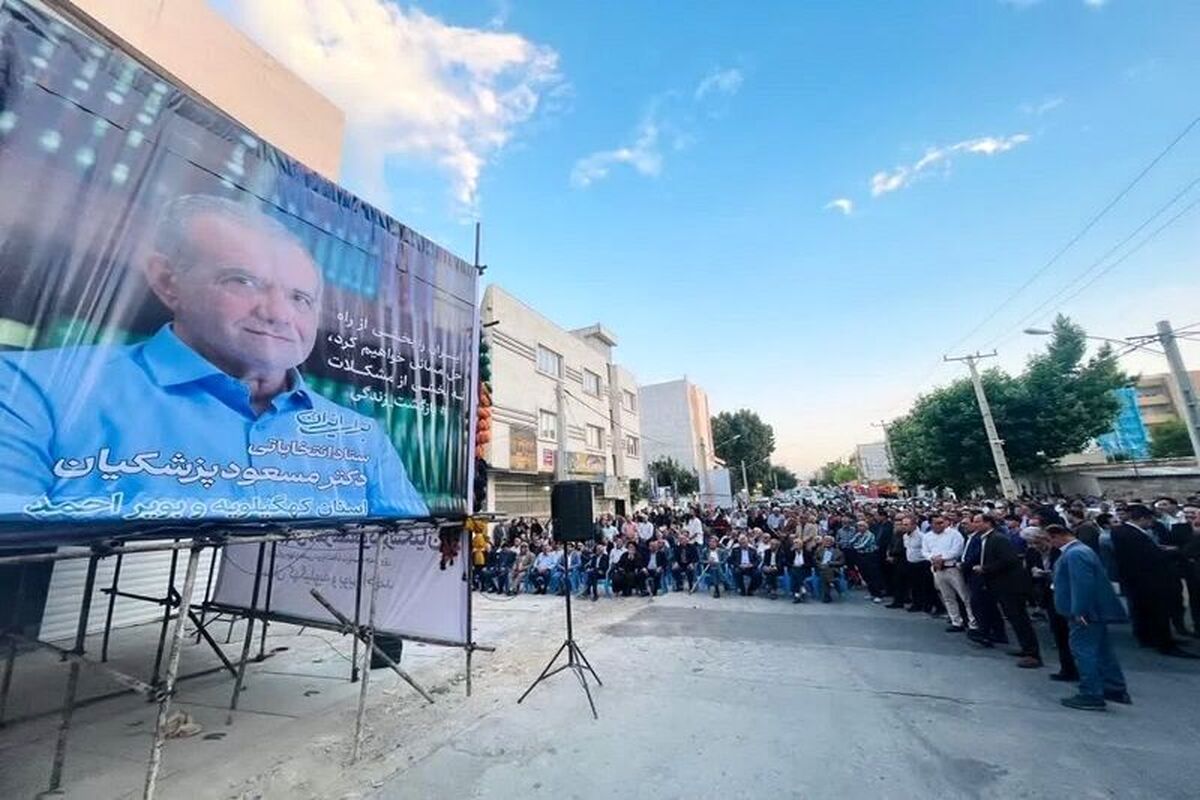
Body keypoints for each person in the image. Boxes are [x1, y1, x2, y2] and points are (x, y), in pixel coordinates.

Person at [0, 194, 428, 521]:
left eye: (300, 298)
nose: (278, 314)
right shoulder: (34, 392)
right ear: (168, 282)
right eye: (242, 281)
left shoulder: (359, 437)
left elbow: (409, 562)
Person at [1045, 524, 1131, 710]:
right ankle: (1113, 687)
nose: (1050, 544)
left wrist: (1080, 610)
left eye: (1050, 540)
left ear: (1058, 536)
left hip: (1084, 613)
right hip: (1093, 611)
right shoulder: (1082, 551)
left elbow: (1082, 584)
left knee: (1084, 651)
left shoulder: (1075, 554)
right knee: (1102, 650)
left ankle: (1091, 693)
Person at [1111, 504, 1197, 657]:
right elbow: (1148, 557)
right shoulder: (1132, 534)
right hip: (1149, 580)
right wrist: (1173, 552)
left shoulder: (1122, 532)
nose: (1151, 524)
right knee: (1158, 612)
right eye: (1149, 521)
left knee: (1145, 612)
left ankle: (1151, 638)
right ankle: (1165, 643)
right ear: (1143, 519)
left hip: (1138, 580)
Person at [973, 513, 1042, 668]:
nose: (974, 524)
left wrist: (985, 569)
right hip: (1000, 585)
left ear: (988, 523)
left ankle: (1032, 653)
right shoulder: (987, 539)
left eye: (978, 521)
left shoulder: (998, 539)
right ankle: (1025, 648)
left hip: (1010, 586)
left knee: (1019, 618)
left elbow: (1009, 560)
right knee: (1013, 618)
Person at [924, 514, 975, 633]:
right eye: (937, 523)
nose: (941, 525)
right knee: (947, 597)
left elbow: (957, 550)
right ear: (931, 524)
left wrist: (942, 558)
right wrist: (933, 558)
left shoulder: (954, 534)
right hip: (937, 568)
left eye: (942, 522)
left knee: (965, 596)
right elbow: (924, 551)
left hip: (952, 568)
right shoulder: (927, 536)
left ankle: (973, 622)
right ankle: (956, 621)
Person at [814, 535, 845, 603]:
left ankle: (826, 596)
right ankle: (832, 582)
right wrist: (820, 565)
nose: (827, 542)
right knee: (825, 570)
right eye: (825, 541)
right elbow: (815, 560)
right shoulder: (819, 550)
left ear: (832, 542)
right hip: (821, 568)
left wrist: (831, 563)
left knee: (826, 570)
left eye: (829, 541)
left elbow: (842, 562)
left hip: (833, 570)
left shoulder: (838, 551)